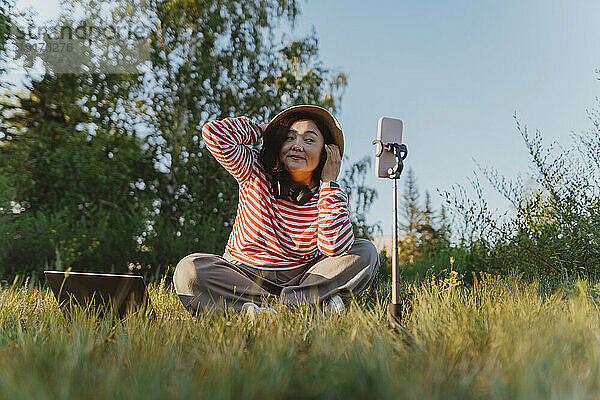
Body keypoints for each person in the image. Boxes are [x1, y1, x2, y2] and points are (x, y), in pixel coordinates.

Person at [173, 105, 379, 315]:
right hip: (244, 275)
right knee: (189, 269)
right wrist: (268, 130)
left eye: (309, 140)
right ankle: (305, 308)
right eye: (289, 138)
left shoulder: (329, 193)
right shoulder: (252, 168)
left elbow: (335, 248)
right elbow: (214, 134)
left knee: (365, 252)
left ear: (326, 154)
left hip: (304, 279)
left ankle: (268, 309)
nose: (297, 146)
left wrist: (329, 184)